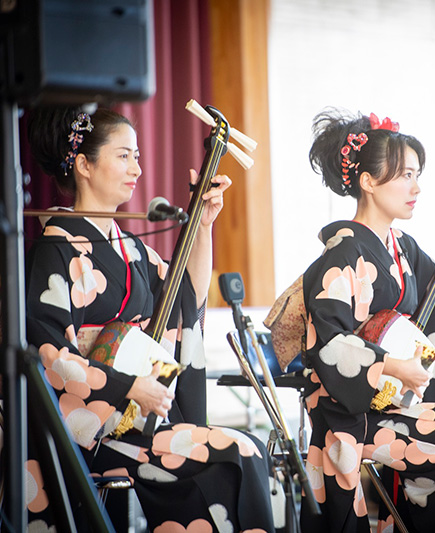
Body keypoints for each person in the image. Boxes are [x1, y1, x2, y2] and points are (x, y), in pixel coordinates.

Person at [25, 106, 275, 532]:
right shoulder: (56, 246)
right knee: (241, 451)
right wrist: (130, 386)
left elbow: (184, 299)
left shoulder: (130, 246)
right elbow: (50, 353)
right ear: (84, 165)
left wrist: (203, 225)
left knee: (239, 456)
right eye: (124, 156)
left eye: (137, 156)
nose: (137, 168)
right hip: (89, 430)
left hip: (133, 422)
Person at [292, 108, 435, 532]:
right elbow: (330, 344)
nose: (416, 187)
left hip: (390, 400)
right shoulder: (342, 255)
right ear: (367, 182)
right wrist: (395, 366)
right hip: (353, 412)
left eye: (417, 175)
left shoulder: (401, 247)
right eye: (405, 176)